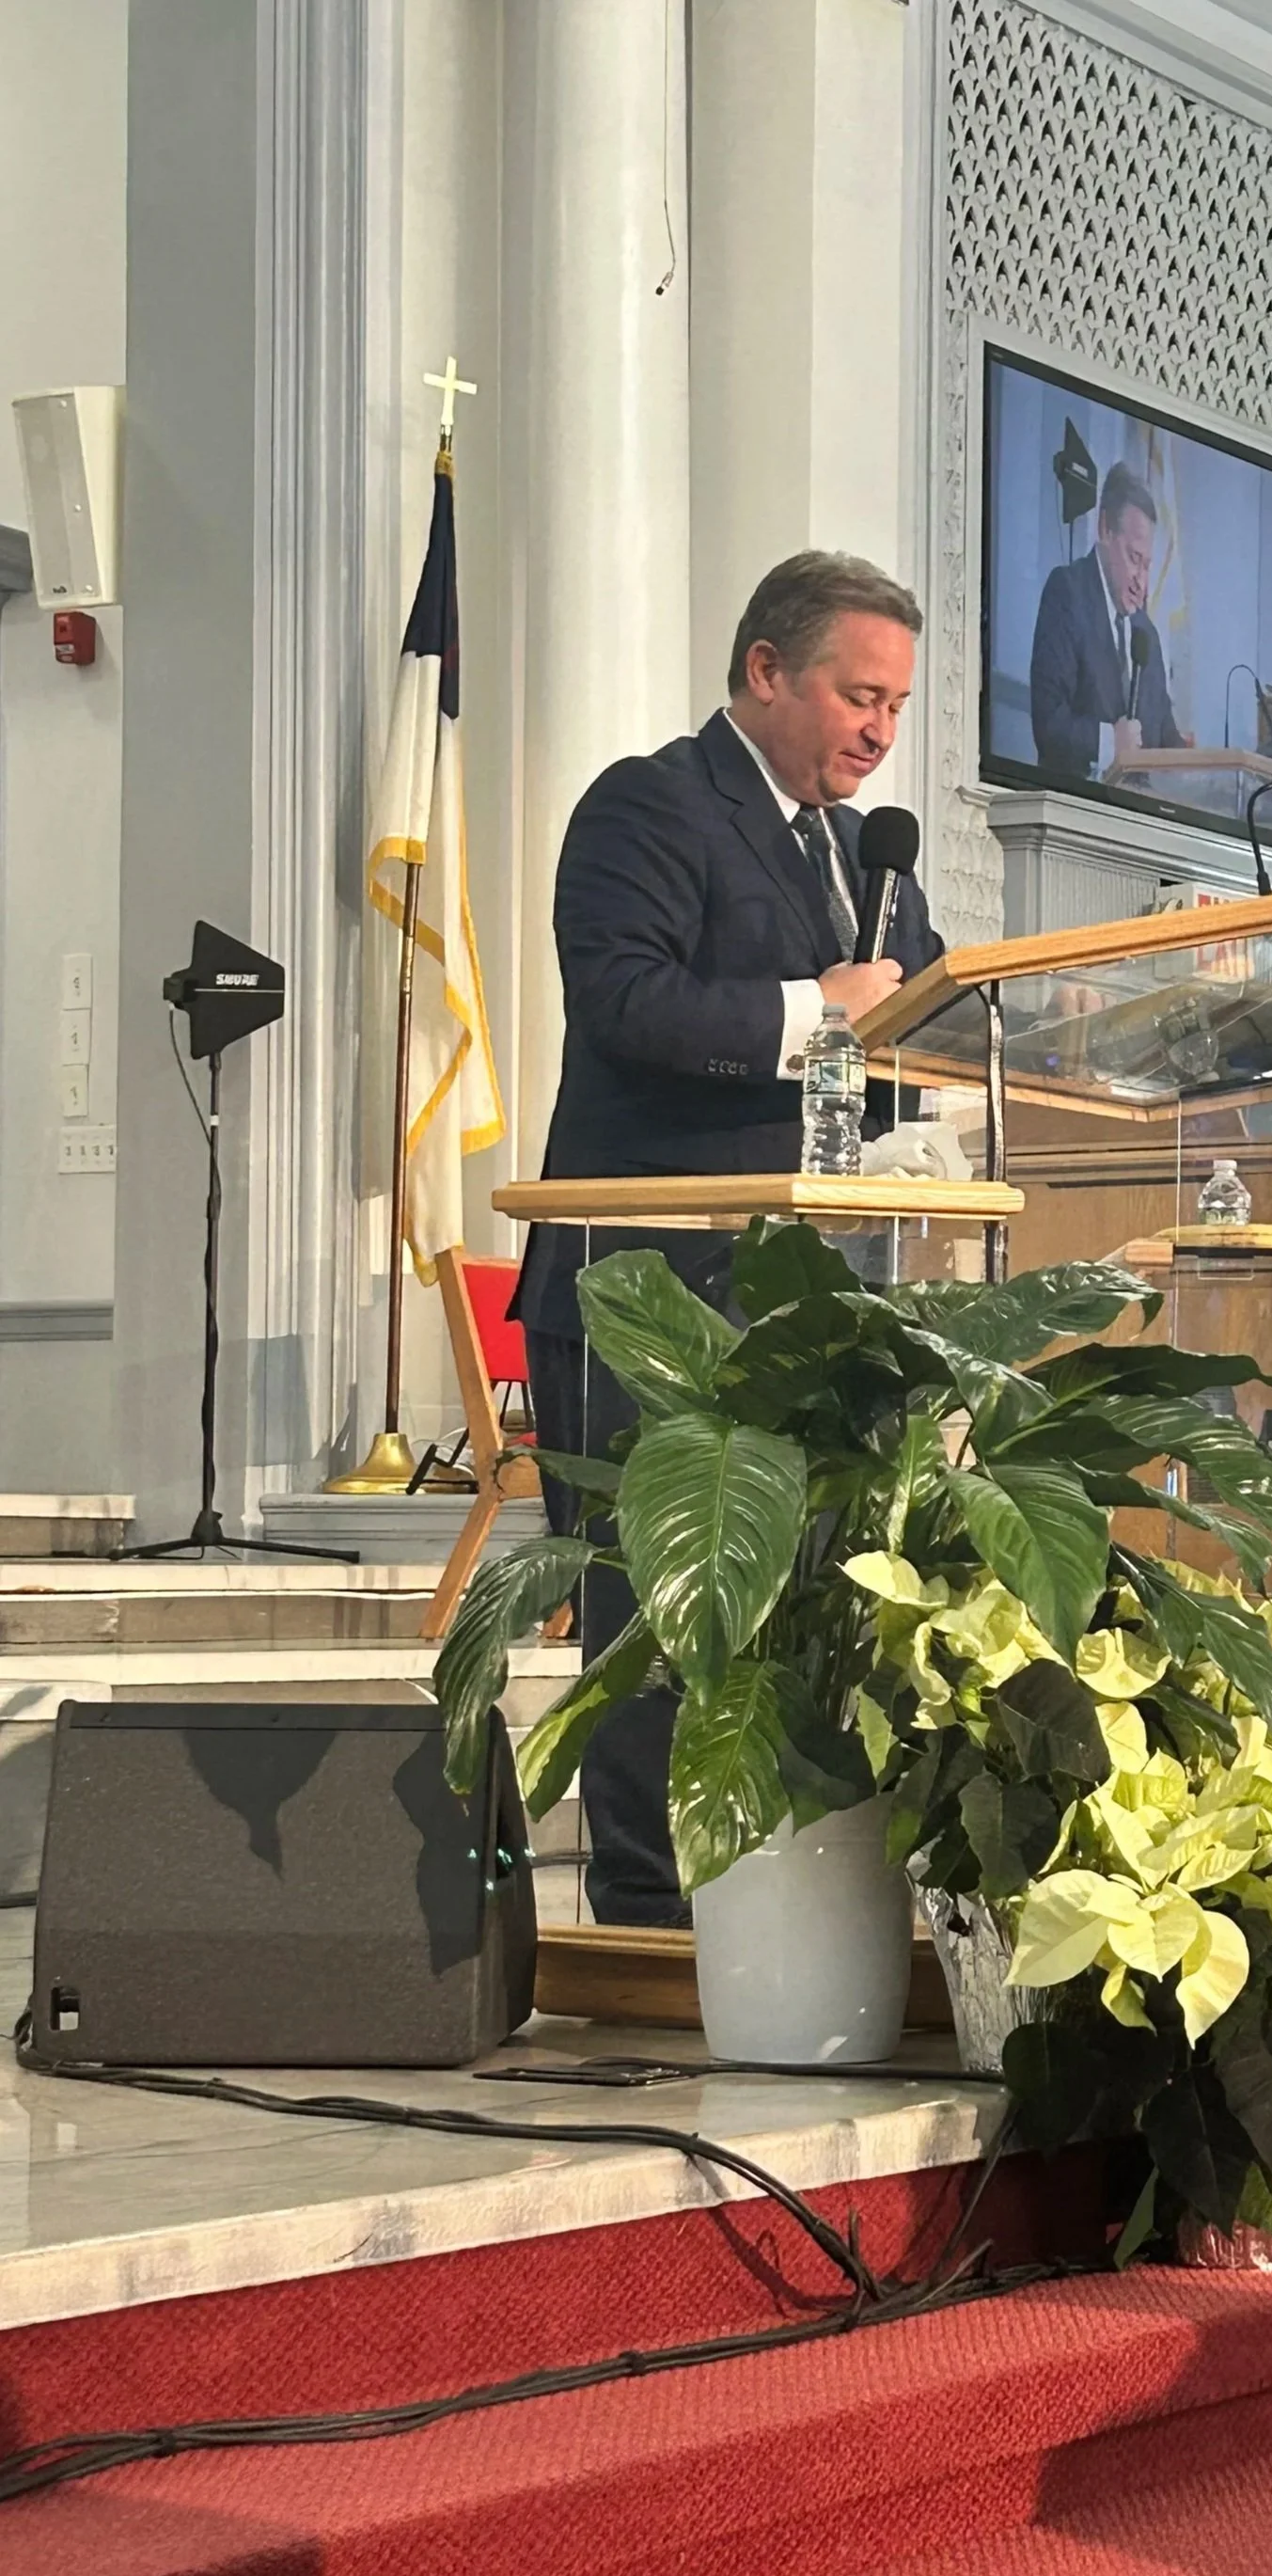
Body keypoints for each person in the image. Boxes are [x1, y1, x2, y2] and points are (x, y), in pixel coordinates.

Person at [512, 551, 944, 1925]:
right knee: (657, 1611)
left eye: (897, 705)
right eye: (859, 696)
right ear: (766, 670)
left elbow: (925, 1018)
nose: (879, 732)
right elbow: (626, 1002)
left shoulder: (864, 858)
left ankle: (787, 1914)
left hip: (815, 1290)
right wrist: (820, 1011)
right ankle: (651, 1919)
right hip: (649, 1281)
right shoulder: (650, 805)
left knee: (801, 1610)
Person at [1028, 462, 1186, 780]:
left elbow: (1165, 736)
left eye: (1147, 565)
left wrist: (1204, 770)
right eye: (1134, 558)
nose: (1142, 582)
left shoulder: (1146, 634)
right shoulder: (1067, 591)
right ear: (1105, 530)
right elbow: (1048, 723)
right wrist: (1110, 742)